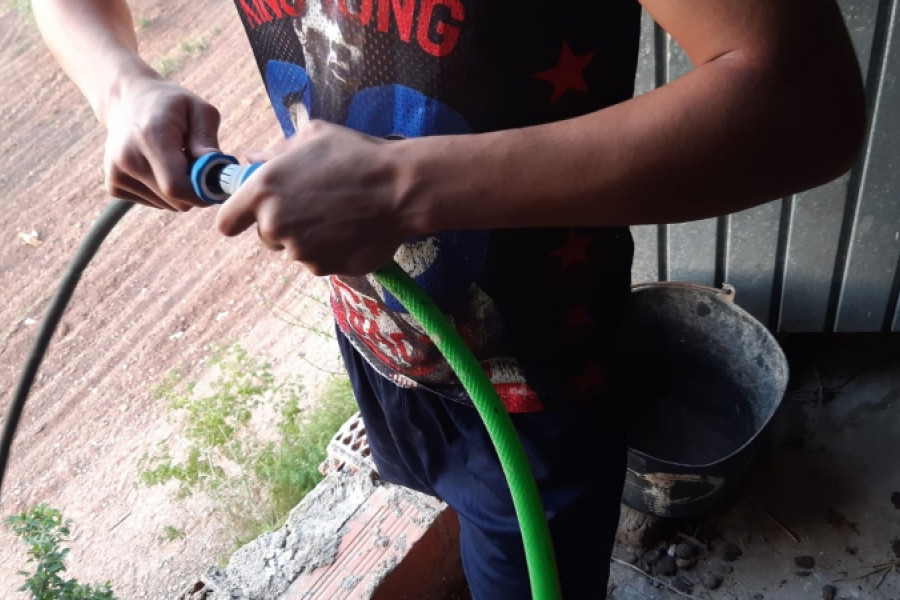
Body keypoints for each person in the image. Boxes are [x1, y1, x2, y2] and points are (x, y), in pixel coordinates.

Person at [32, 0, 865, 597]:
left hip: (541, 383)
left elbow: (804, 101)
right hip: (377, 344)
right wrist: (120, 86)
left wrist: (402, 187)